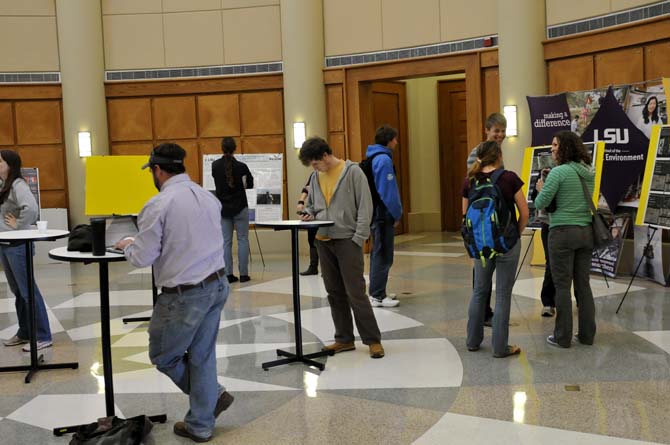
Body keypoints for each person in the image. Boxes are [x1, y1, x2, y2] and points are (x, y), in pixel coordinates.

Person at [115, 143, 233, 442]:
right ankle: (201, 422)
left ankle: (211, 398)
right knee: (202, 355)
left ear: (157, 169)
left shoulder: (159, 204)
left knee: (163, 355)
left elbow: (143, 257)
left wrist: (129, 244)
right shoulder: (207, 197)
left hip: (185, 293)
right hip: (217, 283)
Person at [298, 137, 385, 359]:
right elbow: (313, 205)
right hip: (323, 240)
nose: (314, 168)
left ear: (325, 156)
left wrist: (359, 238)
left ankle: (373, 339)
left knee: (355, 292)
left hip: (348, 240)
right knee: (334, 292)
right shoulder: (316, 176)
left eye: (316, 163)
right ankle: (344, 339)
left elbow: (366, 207)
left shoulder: (353, 172)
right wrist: (309, 213)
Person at [463, 141, 528, 358]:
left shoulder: (470, 181)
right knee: (502, 294)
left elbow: (465, 218)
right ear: (499, 156)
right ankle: (500, 347)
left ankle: (472, 341)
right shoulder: (509, 178)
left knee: (479, 291)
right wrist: (515, 234)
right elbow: (525, 212)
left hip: (481, 246)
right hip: (506, 244)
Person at [535, 131, 596, 348]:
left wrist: (540, 188)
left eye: (555, 145)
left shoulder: (558, 173)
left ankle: (562, 336)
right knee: (583, 285)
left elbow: (541, 202)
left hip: (562, 233)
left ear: (565, 148)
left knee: (562, 286)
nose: (552, 148)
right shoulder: (589, 171)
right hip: (586, 232)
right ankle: (587, 335)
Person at [0, 150, 52, 352]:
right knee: (18, 291)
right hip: (5, 245)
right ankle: (25, 332)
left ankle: (42, 335)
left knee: (28, 290)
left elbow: (31, 208)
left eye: (0, 161)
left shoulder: (18, 185)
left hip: (18, 246)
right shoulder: (5, 185)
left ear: (10, 165)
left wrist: (17, 224)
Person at [466, 112, 507, 326]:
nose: (500, 135)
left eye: (502, 131)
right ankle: (482, 313)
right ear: (487, 130)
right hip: (482, 218)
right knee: (482, 270)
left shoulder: (498, 151)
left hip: (494, 219)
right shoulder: (478, 152)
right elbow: (472, 185)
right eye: (496, 131)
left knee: (488, 266)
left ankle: (485, 311)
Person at [366, 125, 402, 308]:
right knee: (382, 254)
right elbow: (388, 191)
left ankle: (378, 290)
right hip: (382, 214)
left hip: (376, 213)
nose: (396, 142)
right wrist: (396, 212)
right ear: (389, 140)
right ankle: (377, 295)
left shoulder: (373, 157)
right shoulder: (383, 160)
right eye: (395, 139)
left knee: (378, 252)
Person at [212, 137, 254, 283]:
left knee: (226, 242)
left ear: (221, 148)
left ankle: (228, 274)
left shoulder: (215, 166)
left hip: (223, 208)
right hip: (240, 207)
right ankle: (244, 274)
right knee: (243, 239)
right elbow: (250, 184)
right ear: (235, 148)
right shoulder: (242, 166)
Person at [297, 176, 319, 276]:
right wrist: (301, 201)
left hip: (326, 211)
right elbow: (306, 188)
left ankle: (329, 268)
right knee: (311, 239)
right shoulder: (314, 174)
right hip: (312, 209)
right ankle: (313, 267)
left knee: (326, 241)